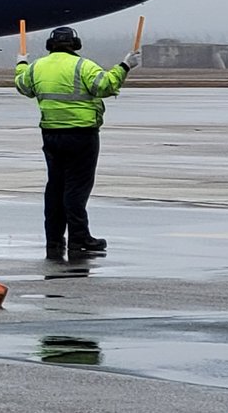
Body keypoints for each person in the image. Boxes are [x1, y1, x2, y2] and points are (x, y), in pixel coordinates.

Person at [13, 26, 139, 256]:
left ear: (50, 46)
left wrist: (21, 63)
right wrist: (125, 66)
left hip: (51, 134)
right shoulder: (84, 66)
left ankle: (53, 239)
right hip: (82, 134)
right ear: (76, 44)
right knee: (77, 189)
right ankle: (79, 238)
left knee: (55, 187)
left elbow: (23, 85)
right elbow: (106, 86)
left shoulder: (38, 67)